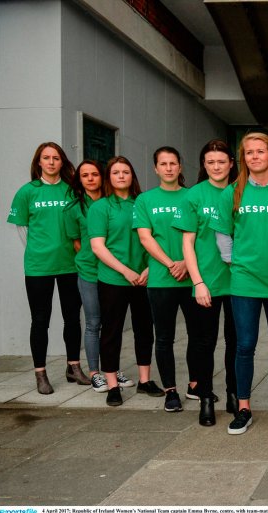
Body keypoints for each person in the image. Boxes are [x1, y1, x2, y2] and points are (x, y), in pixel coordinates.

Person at [210, 132, 268, 435]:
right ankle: (244, 408)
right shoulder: (232, 193)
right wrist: (237, 261)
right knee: (244, 345)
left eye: (260, 152)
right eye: (249, 153)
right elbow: (223, 234)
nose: (254, 157)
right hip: (245, 281)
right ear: (243, 158)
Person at [7, 142, 88, 394]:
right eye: (46, 158)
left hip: (69, 266)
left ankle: (73, 367)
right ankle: (40, 374)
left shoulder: (72, 192)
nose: (51, 162)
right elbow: (23, 230)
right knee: (40, 320)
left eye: (56, 158)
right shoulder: (27, 192)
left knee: (72, 318)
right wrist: (41, 251)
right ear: (38, 162)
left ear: (62, 162)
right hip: (39, 267)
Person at [175, 139, 239, 426]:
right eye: (210, 162)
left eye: (221, 161)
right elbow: (187, 244)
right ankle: (205, 398)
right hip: (207, 283)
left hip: (239, 282)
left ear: (231, 164)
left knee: (237, 343)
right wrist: (198, 282)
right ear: (204, 165)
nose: (216, 166)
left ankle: (235, 395)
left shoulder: (241, 192)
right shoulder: (193, 196)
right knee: (204, 343)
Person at [88, 157, 162, 406]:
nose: (121, 176)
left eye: (126, 172)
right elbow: (98, 247)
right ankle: (112, 385)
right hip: (113, 279)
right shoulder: (101, 207)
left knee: (144, 330)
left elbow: (156, 238)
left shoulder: (143, 203)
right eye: (116, 172)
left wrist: (149, 268)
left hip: (144, 278)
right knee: (111, 332)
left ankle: (144, 380)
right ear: (109, 177)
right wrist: (126, 271)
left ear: (133, 176)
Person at [134, 147, 199, 414]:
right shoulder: (145, 200)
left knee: (197, 335)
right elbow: (145, 237)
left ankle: (195, 385)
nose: (169, 168)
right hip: (162, 279)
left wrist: (186, 263)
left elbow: (200, 234)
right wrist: (171, 263)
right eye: (164, 164)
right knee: (164, 337)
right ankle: (170, 390)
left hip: (192, 278)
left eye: (173, 163)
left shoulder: (192, 196)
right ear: (156, 168)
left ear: (180, 167)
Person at [64, 159, 122, 393]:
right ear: (79, 179)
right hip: (89, 271)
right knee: (93, 323)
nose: (90, 178)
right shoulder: (73, 208)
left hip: (113, 272)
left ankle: (112, 369)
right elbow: (77, 242)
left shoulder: (114, 203)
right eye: (85, 175)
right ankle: (95, 372)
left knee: (112, 324)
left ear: (102, 177)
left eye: (95, 174)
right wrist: (94, 258)